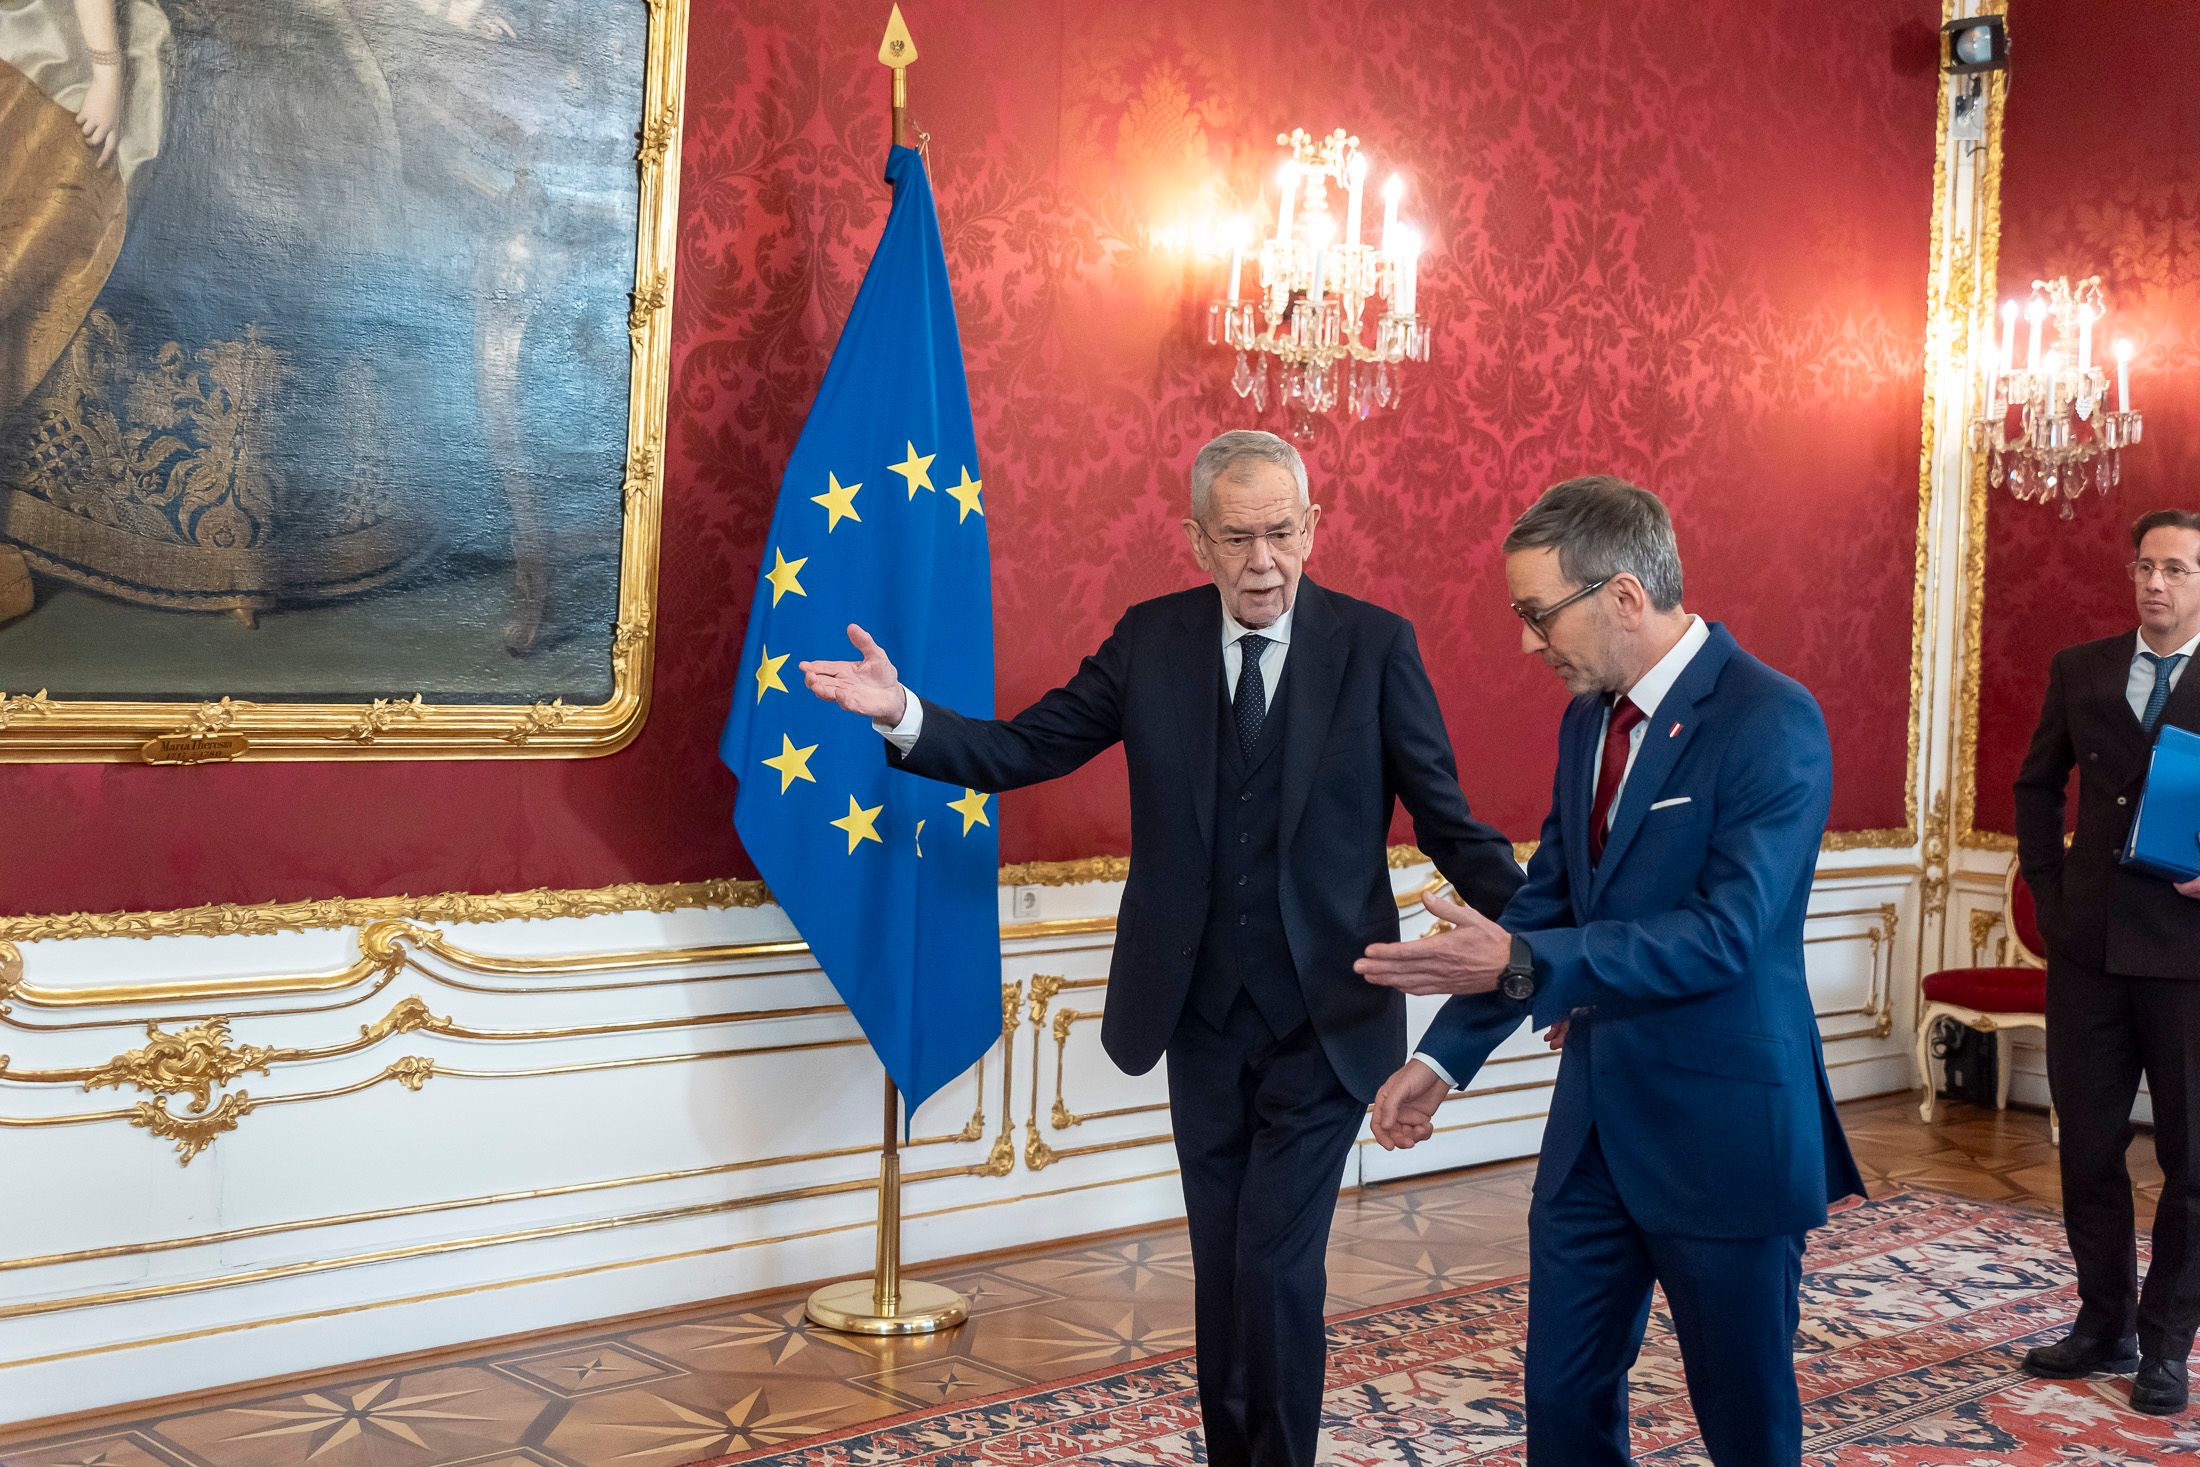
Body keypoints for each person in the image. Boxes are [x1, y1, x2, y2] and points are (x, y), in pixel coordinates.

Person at [799, 428, 1523, 1467]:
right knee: (1224, 1269)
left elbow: (1447, 820)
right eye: (1236, 538)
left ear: (1313, 531)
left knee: (1277, 1270)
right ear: (1195, 541)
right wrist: (900, 713)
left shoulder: (1374, 646)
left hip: (1329, 1020)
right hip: (1195, 1017)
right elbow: (1023, 748)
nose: (1261, 561)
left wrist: (1546, 934)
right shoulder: (1151, 640)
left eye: (1280, 534)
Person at [1360, 475, 1862, 1466]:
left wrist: (1521, 959)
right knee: (1561, 1398)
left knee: (1743, 1418)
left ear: (1624, 597)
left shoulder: (1770, 718)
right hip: (1593, 1129)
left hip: (1724, 1134)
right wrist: (1441, 1063)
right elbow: (1546, 902)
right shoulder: (1588, 719)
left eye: (1537, 614)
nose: (1526, 641)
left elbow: (1727, 933)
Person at [2014, 508, 2200, 1417]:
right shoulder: (2081, 668)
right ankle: (2104, 1322)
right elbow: (2036, 786)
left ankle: (2166, 1347)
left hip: (2191, 959)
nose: (2155, 583)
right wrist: (2050, 898)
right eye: (2144, 566)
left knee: (2192, 1161)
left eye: (2175, 569)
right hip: (2087, 950)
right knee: (2088, 1148)